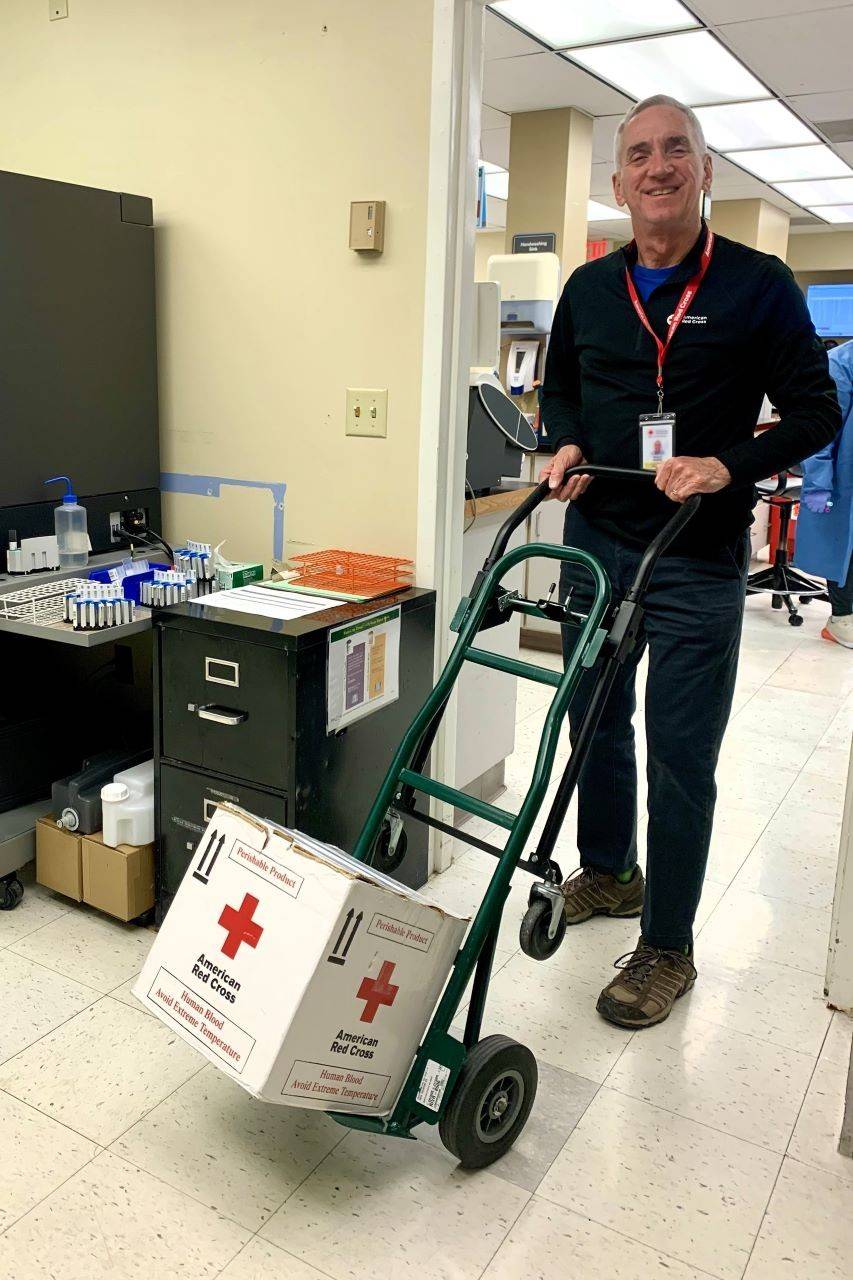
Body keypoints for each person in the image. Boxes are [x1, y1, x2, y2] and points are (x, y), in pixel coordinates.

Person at [539, 94, 840, 1029]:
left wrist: (726, 464)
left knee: (678, 752)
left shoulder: (760, 285)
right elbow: (562, 396)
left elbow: (818, 413)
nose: (657, 166)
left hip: (697, 554)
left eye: (677, 150)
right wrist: (561, 445)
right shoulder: (589, 290)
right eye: (638, 154)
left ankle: (666, 945)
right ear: (619, 181)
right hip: (597, 542)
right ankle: (609, 874)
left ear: (705, 171)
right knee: (593, 718)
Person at [794, 338, 853, 648]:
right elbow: (822, 429)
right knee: (843, 548)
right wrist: (818, 483)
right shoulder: (842, 362)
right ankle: (842, 618)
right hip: (844, 478)